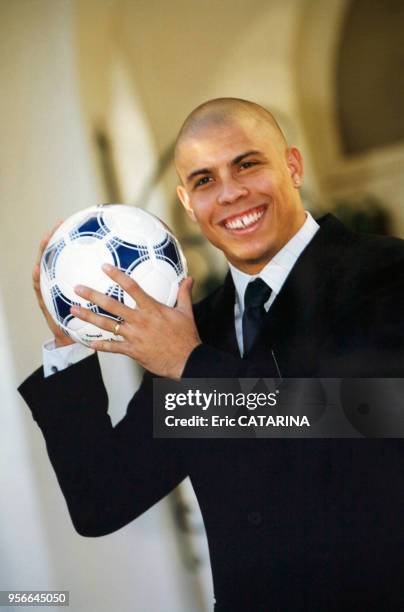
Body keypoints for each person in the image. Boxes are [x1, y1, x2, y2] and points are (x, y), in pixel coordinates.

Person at [19, 98, 404, 611]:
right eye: (203, 180)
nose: (230, 194)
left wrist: (190, 366)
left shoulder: (386, 273)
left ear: (292, 165)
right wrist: (69, 346)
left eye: (247, 164)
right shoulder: (198, 329)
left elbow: (366, 419)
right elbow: (102, 499)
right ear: (186, 201)